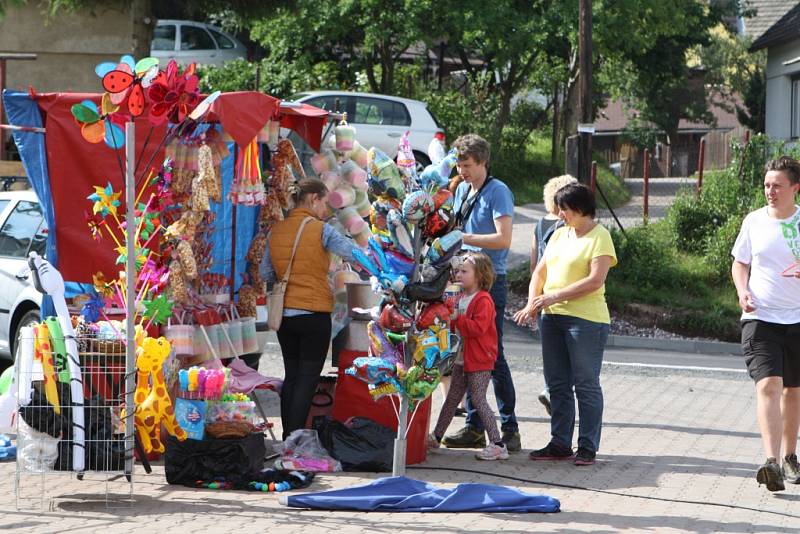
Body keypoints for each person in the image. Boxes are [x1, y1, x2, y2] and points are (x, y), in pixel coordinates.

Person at [513, 183, 617, 466]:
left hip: (586, 320)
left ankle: (587, 446)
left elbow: (595, 280)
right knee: (557, 383)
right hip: (552, 317)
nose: (559, 214)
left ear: (581, 209)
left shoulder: (600, 237)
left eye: (564, 209)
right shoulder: (559, 234)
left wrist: (553, 296)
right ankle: (560, 442)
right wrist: (532, 303)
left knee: (585, 383)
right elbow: (540, 271)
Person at [443, 133, 521, 452]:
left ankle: (509, 427)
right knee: (466, 355)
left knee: (492, 354)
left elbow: (503, 239)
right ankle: (474, 426)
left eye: (468, 165)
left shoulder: (498, 191)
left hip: (489, 281)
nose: (463, 171)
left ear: (483, 162)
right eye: (460, 165)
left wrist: (466, 237)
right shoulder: (461, 189)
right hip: (464, 281)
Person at [262, 179, 355, 440]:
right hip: (314, 315)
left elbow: (265, 272)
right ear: (313, 198)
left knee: (291, 375)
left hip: (284, 316)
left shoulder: (276, 230)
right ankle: (295, 437)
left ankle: (286, 437)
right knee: (307, 377)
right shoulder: (321, 230)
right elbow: (351, 252)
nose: (325, 209)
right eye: (325, 202)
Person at [731, 156, 800, 492]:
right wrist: (743, 291)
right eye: (766, 185)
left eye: (777, 185)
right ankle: (771, 463)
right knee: (769, 385)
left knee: (793, 390)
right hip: (760, 318)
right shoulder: (754, 221)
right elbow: (740, 263)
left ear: (795, 188)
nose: (770, 191)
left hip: (798, 318)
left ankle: (790, 457)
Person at [428, 252, 508, 460]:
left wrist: (457, 318)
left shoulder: (483, 300)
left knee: (479, 400)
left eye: (465, 271)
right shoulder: (461, 297)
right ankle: (436, 437)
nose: (459, 274)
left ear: (479, 275)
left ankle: (498, 443)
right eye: (458, 271)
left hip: (480, 359)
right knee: (452, 398)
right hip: (463, 358)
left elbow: (478, 328)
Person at [530, 174, 578, 416]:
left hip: (542, 295)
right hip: (564, 297)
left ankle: (551, 388)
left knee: (550, 352)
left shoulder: (540, 225)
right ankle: (554, 393)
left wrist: (534, 297)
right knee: (567, 354)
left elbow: (533, 265)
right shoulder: (567, 226)